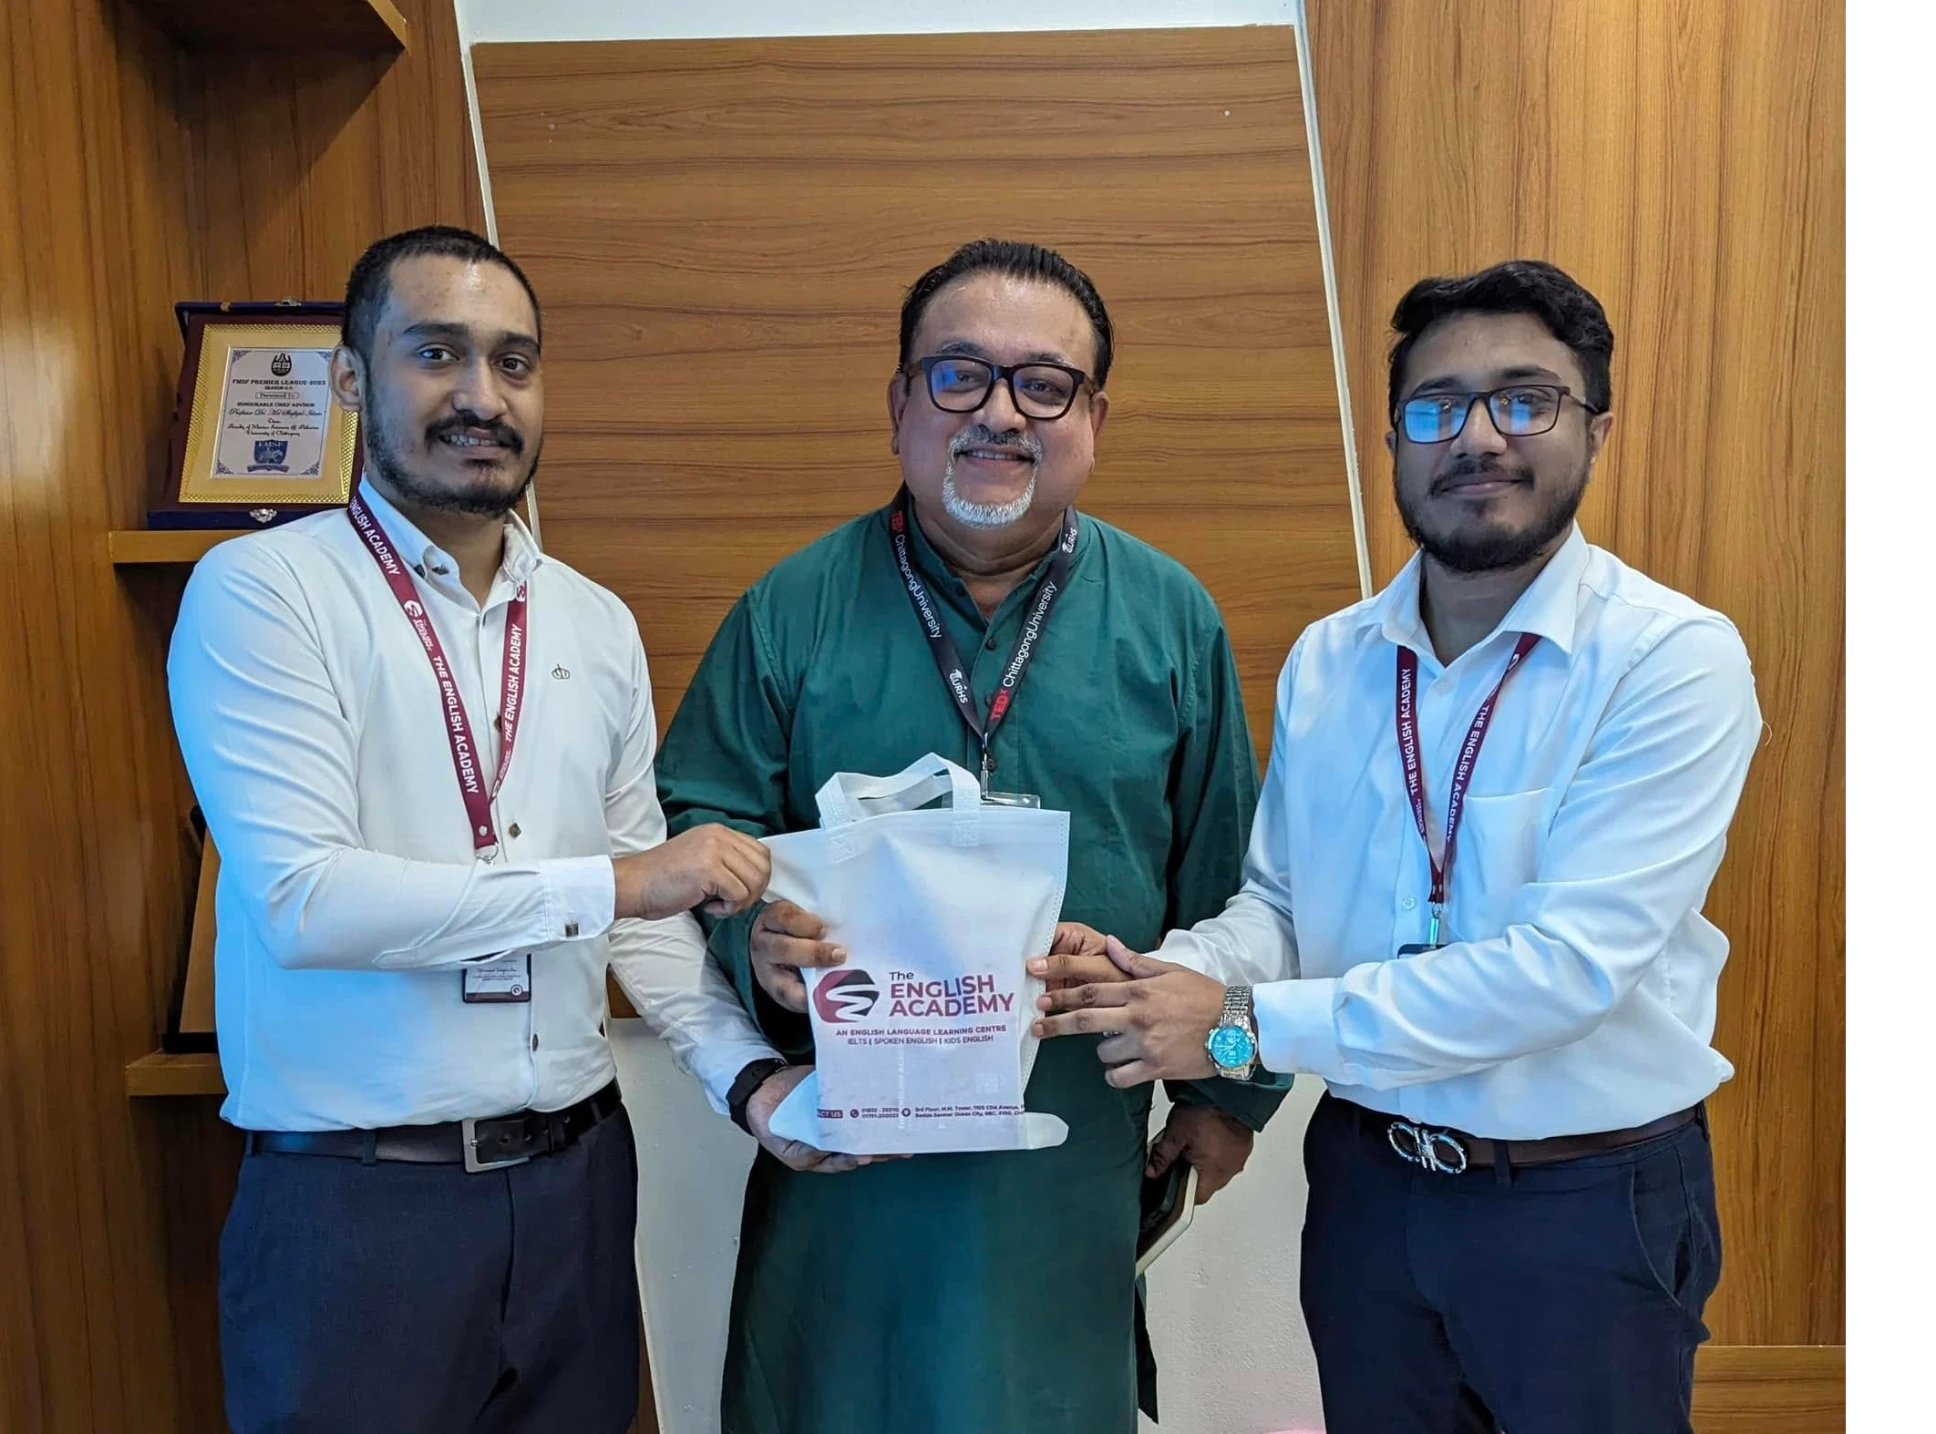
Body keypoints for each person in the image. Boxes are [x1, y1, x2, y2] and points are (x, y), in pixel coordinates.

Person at [1033, 259, 1763, 1433]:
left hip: (1578, 1198)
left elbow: (1566, 969)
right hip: (1369, 1189)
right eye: (1435, 406)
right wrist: (1157, 974)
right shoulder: (1333, 658)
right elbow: (1281, 904)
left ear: (1594, 428)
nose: (1475, 436)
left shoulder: (1666, 660)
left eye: (1522, 400)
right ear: (1393, 441)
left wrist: (1235, 1024)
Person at [168, 225, 848, 1434]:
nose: (482, 396)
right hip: (360, 1209)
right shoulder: (264, 592)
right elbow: (305, 904)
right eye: (437, 353)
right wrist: (614, 884)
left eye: (514, 362)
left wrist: (749, 1080)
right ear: (348, 379)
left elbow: (648, 923)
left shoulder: (593, 622)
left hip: (577, 1189)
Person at [655, 237, 1292, 1434]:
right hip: (846, 1149)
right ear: (899, 402)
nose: (998, 413)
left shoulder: (1169, 617)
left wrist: (1225, 1099)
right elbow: (693, 827)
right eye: (958, 375)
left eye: (1042, 385)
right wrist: (759, 939)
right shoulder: (790, 609)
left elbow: (1239, 880)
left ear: (1092, 420)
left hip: (1070, 1149)